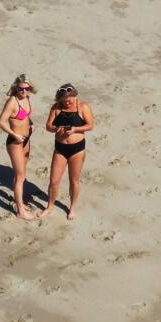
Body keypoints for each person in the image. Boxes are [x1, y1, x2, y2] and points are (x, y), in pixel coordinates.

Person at [42, 84, 94, 220]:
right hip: (60, 148)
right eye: (64, 100)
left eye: (69, 99)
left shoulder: (83, 107)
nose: (67, 102)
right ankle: (50, 206)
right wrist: (55, 129)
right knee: (54, 180)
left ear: (75, 96)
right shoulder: (56, 108)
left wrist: (75, 129)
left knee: (74, 180)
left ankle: (72, 208)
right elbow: (48, 125)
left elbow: (90, 125)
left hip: (77, 149)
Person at [0, 75, 40, 220]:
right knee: (21, 176)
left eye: (27, 88)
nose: (23, 91)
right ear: (16, 87)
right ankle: (20, 211)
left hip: (26, 140)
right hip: (15, 142)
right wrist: (14, 134)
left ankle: (19, 202)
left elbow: (25, 116)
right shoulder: (12, 102)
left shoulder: (27, 98)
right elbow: (1, 122)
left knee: (20, 174)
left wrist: (31, 123)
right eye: (21, 88)